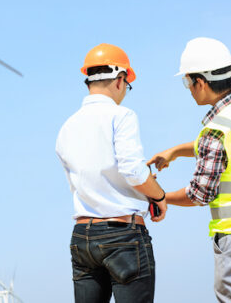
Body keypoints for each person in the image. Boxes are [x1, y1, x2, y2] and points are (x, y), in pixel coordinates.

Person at [148, 37, 231, 303]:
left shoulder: (216, 130)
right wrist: (176, 151)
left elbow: (199, 194)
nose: (188, 89)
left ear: (200, 82)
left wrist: (161, 197)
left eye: (187, 82)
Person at [56, 43, 168, 303]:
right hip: (123, 236)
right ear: (120, 79)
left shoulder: (67, 127)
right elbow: (133, 171)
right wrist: (159, 196)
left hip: (82, 237)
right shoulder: (121, 115)